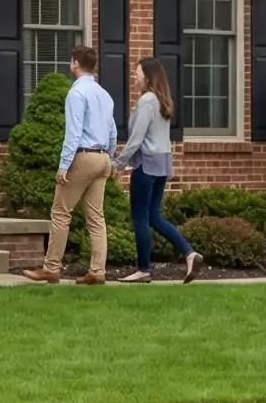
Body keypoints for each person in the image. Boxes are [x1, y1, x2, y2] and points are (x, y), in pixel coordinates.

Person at [21, 45, 115, 284]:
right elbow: (113, 132)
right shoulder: (104, 94)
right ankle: (97, 271)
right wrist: (109, 159)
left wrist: (64, 165)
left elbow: (73, 132)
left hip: (83, 156)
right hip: (103, 157)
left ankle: (51, 268)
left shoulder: (76, 94)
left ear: (74, 63)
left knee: (61, 212)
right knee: (96, 217)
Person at [114, 56, 199, 283]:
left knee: (140, 218)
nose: (134, 76)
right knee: (154, 216)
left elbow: (136, 139)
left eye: (138, 72)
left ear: (148, 76)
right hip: (161, 166)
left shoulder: (147, 101)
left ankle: (143, 269)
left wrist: (118, 164)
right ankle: (189, 253)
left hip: (145, 166)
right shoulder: (162, 101)